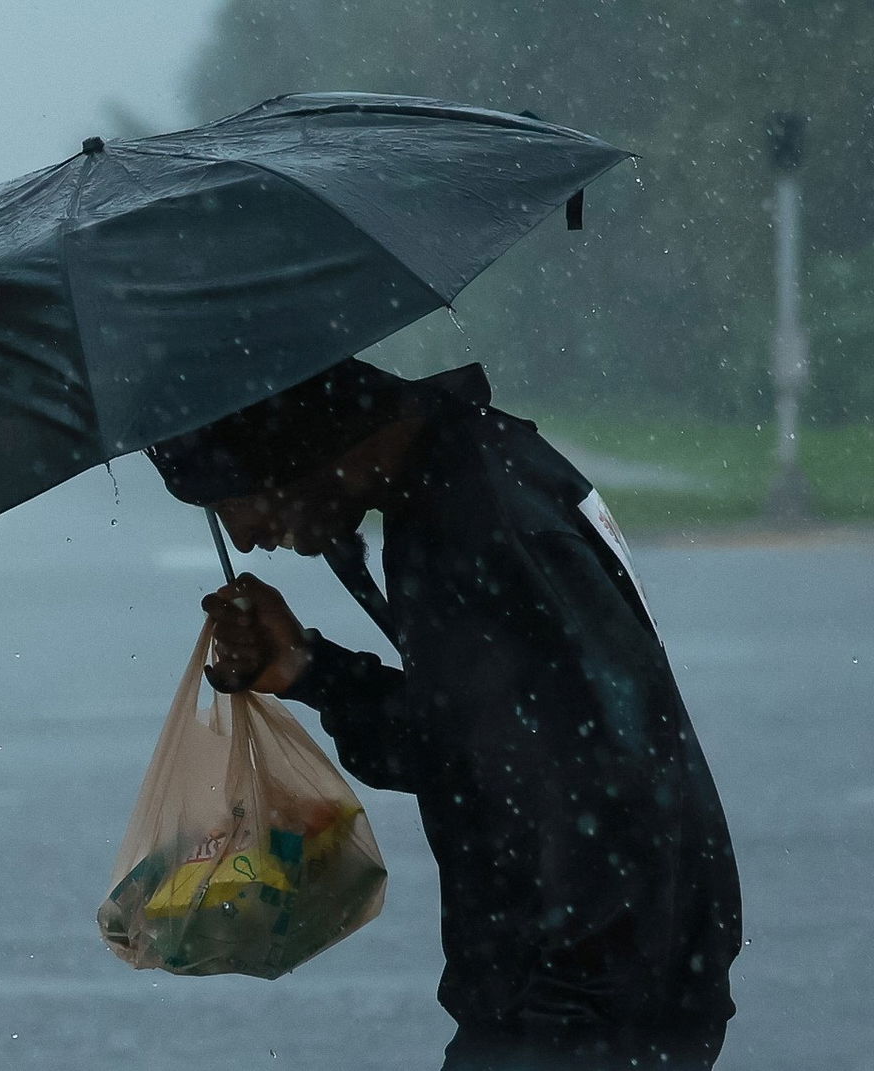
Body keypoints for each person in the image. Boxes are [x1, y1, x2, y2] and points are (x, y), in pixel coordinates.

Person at [146, 359, 742, 1071]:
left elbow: (603, 790)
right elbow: (474, 749)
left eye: (230, 496)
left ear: (294, 443)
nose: (241, 535)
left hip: (585, 1011)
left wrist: (559, 1025)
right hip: (583, 999)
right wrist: (311, 668)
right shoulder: (454, 488)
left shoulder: (484, 528)